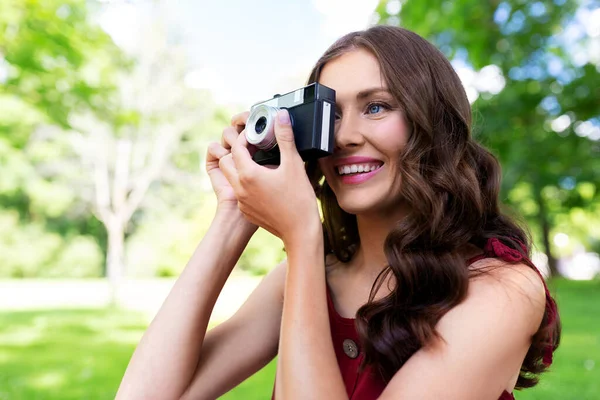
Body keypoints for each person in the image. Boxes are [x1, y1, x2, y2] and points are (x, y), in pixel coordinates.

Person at [115, 26, 560, 400]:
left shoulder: (500, 290)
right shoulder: (309, 276)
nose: (344, 137)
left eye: (377, 107)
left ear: (434, 123)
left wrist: (303, 235)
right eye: (331, 116)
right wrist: (234, 215)